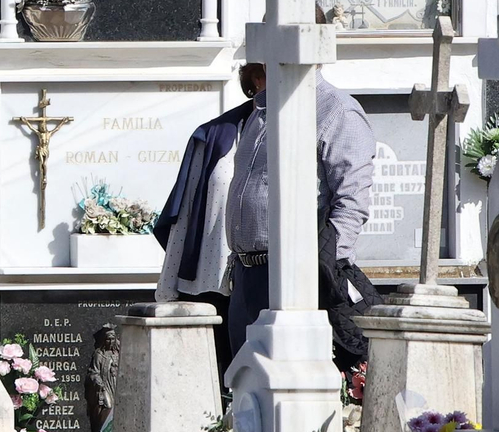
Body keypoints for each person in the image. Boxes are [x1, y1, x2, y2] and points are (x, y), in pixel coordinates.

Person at [223, 58, 380, 367]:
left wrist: (322, 269)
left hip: (297, 276)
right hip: (246, 274)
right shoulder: (261, 109)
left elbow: (352, 201)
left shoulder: (337, 110)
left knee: (290, 383)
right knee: (242, 385)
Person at [152, 64, 263, 373]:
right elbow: (188, 209)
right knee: (223, 369)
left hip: (279, 276)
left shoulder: (308, 127)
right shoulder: (218, 134)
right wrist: (171, 279)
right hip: (216, 276)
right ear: (257, 80)